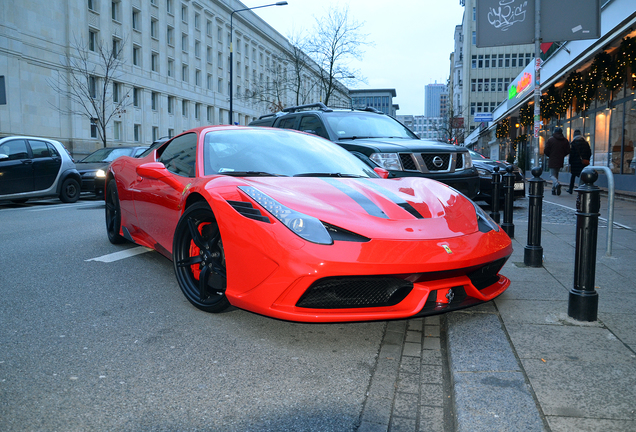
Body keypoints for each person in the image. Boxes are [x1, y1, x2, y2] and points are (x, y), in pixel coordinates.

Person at [544, 127, 570, 195]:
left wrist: (550, 155)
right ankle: (554, 189)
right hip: (560, 159)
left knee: (552, 175)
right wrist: (562, 155)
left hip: (552, 159)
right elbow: (568, 150)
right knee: (556, 174)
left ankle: (557, 184)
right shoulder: (565, 140)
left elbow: (546, 150)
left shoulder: (551, 140)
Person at [567, 130, 592, 194]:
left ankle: (570, 189)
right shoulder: (585, 143)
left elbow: (571, 154)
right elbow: (589, 152)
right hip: (583, 163)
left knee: (573, 176)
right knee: (582, 175)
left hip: (575, 163)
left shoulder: (573, 143)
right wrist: (586, 159)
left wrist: (570, 162)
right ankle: (582, 188)